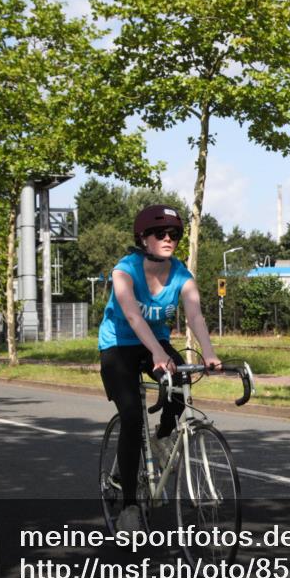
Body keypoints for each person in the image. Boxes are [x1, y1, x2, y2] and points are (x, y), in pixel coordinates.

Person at [98, 204, 221, 535]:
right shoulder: (124, 271)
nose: (169, 239)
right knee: (132, 418)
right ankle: (128, 507)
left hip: (156, 341)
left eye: (175, 234)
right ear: (143, 237)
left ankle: (163, 436)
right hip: (118, 346)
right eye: (160, 233)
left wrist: (209, 354)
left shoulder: (181, 273)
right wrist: (155, 352)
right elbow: (133, 317)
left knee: (181, 383)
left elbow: (195, 316)